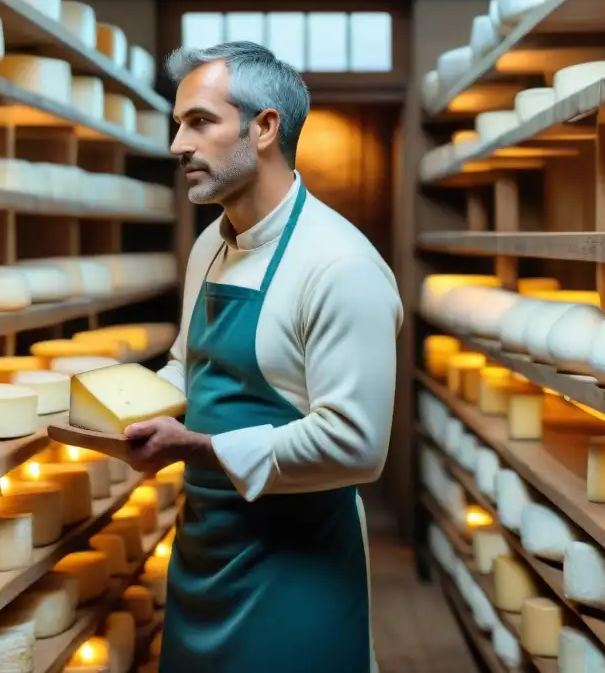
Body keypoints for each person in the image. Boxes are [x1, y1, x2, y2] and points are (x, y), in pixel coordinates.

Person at [122, 40, 403, 673]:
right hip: (205, 549)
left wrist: (197, 449)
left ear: (265, 127)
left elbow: (358, 445)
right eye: (178, 125)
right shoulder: (210, 245)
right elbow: (186, 367)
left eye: (199, 122)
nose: (178, 146)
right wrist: (114, 407)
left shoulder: (340, 266)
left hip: (296, 564)